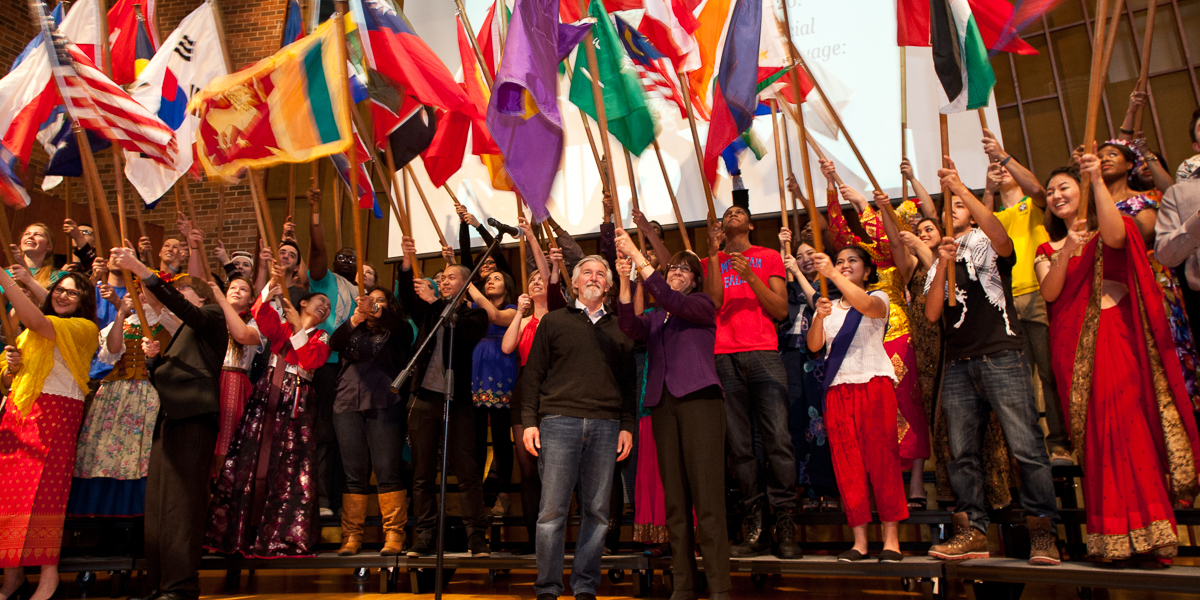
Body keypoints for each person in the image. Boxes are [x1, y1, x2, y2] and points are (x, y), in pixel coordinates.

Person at [1036, 156, 1200, 565]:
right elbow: (1051, 293)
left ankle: (1154, 532)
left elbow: (1116, 237)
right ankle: (1110, 537)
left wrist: (1095, 179)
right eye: (1052, 191)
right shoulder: (1048, 247)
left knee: (1130, 428)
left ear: (1083, 191)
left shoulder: (1107, 226)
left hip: (1118, 337)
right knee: (1096, 436)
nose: (1057, 196)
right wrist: (1066, 251)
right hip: (1076, 350)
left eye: (1065, 187)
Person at [923, 160, 1061, 565]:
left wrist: (961, 189)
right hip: (958, 363)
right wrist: (944, 260)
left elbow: (1001, 237)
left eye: (959, 207)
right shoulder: (938, 259)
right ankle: (973, 531)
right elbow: (932, 314)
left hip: (1001, 353)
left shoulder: (987, 238)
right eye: (946, 207)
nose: (953, 210)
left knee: (1027, 447)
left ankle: (1042, 533)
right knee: (961, 453)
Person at [614, 229, 731, 600]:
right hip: (662, 405)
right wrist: (623, 278)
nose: (676, 272)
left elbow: (666, 295)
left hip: (700, 402)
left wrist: (637, 253)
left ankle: (719, 588)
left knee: (708, 500)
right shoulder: (657, 316)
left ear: (695, 279)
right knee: (675, 502)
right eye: (673, 268)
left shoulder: (700, 305)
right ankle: (683, 584)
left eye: (684, 269)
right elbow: (630, 326)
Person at [109, 246, 228, 600]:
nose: (177, 294)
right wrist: (154, 363)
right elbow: (164, 379)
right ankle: (158, 582)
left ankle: (180, 586)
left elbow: (182, 307)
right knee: (159, 505)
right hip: (170, 418)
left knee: (182, 504)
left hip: (195, 418)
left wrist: (141, 269)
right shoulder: (180, 338)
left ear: (199, 296)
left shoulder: (211, 317)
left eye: (183, 289)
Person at [521, 255, 635, 600]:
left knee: (597, 513)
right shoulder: (553, 321)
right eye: (587, 272)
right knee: (552, 511)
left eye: (602, 273)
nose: (594, 277)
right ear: (573, 283)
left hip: (606, 425)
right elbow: (533, 376)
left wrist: (627, 425)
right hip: (557, 422)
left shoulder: (622, 327)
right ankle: (548, 588)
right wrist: (529, 422)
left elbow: (630, 384)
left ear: (610, 285)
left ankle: (585, 587)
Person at [822, 160, 931, 508]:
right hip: (864, 342)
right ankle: (874, 486)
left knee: (907, 408)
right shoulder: (858, 258)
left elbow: (891, 238)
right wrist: (832, 183)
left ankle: (914, 483)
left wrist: (866, 206)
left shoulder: (892, 255)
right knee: (870, 424)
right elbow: (839, 234)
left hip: (899, 333)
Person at [205, 274, 331, 557]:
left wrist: (299, 328)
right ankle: (240, 534)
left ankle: (280, 535)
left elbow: (311, 360)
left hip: (296, 403)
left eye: (329, 306)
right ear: (303, 303)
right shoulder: (283, 326)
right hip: (268, 396)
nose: (325, 306)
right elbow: (260, 315)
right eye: (321, 300)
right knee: (252, 459)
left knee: (290, 464)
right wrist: (269, 287)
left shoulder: (322, 337)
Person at [702, 194, 799, 559]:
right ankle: (755, 525)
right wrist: (714, 256)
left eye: (740, 211)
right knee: (740, 447)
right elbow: (711, 303)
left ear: (751, 225)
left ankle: (785, 522)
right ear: (721, 228)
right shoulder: (711, 259)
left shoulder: (767, 256)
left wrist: (750, 278)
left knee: (778, 440)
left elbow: (779, 310)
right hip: (723, 357)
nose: (733, 213)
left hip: (763, 353)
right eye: (728, 213)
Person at [0, 271, 98, 600]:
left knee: (46, 496)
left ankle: (48, 575)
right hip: (20, 413)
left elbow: (39, 323)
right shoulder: (29, 331)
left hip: (56, 414)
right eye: (60, 290)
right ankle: (12, 576)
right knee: (9, 499)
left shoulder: (85, 329)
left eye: (73, 293)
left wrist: (8, 280)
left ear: (85, 301)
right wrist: (9, 366)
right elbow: (10, 372)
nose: (64, 296)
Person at [808, 247, 908, 563]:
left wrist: (833, 274)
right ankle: (860, 541)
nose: (844, 265)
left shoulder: (879, 297)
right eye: (839, 261)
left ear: (866, 270)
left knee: (883, 459)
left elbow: (868, 308)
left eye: (852, 261)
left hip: (874, 383)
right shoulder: (828, 306)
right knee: (846, 464)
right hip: (838, 390)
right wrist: (819, 318)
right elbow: (814, 346)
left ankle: (891, 540)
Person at [979, 132, 1071, 466]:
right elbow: (981, 229)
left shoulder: (1032, 204)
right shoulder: (997, 212)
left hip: (1037, 294)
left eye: (1003, 167)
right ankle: (1030, 448)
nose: (999, 170)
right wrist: (988, 190)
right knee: (1019, 379)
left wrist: (1003, 156)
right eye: (994, 167)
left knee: (1049, 371)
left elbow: (1035, 188)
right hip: (1004, 303)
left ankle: (1060, 442)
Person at [396, 236, 492, 558]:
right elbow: (408, 300)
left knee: (467, 473)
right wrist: (408, 262)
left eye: (451, 277)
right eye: (442, 277)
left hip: (459, 402)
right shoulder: (427, 310)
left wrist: (436, 303)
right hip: (423, 398)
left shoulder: (475, 316)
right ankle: (424, 537)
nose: (443, 281)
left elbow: (460, 332)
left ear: (465, 285)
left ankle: (476, 538)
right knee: (422, 474)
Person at [1098, 139, 1200, 410]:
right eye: (1100, 156)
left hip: (1151, 277)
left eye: (1112, 154)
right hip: (1112, 286)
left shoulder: (1147, 198)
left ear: (1130, 164)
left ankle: (1186, 407)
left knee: (1168, 345)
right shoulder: (1091, 207)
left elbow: (1142, 234)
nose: (1104, 159)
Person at [68, 284, 179, 518]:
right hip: (115, 394)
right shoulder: (123, 323)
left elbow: (177, 332)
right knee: (104, 452)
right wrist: (121, 314)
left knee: (138, 455)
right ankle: (103, 519)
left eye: (146, 292)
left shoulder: (167, 320)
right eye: (138, 292)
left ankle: (138, 518)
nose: (142, 296)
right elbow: (113, 349)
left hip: (149, 393)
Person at [329, 287, 414, 556]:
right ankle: (351, 536)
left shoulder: (395, 329)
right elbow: (334, 344)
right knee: (354, 473)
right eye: (369, 300)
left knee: (387, 470)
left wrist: (377, 310)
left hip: (383, 401)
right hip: (347, 402)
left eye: (380, 300)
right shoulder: (353, 328)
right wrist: (355, 319)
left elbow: (405, 332)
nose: (373, 304)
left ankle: (394, 535)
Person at [501, 229, 565, 554]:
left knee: (555, 469)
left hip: (552, 391)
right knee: (528, 471)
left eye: (541, 280)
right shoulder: (523, 319)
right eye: (531, 281)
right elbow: (507, 346)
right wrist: (518, 312)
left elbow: (547, 276)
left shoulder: (557, 315)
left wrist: (531, 237)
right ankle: (532, 541)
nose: (535, 283)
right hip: (523, 390)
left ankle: (556, 539)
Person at [306, 186, 358, 518]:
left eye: (352, 257)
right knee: (323, 430)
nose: (346, 259)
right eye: (342, 256)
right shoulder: (324, 280)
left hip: (351, 369)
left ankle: (344, 501)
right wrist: (315, 211)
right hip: (325, 364)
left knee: (347, 436)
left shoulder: (361, 291)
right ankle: (322, 497)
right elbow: (318, 248)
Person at [776, 227, 836, 512]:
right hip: (789, 358)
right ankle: (798, 487)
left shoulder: (830, 287)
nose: (805, 259)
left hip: (819, 361)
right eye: (799, 257)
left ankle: (824, 488)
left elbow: (818, 306)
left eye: (810, 253)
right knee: (794, 422)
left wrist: (796, 273)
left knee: (820, 423)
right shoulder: (789, 290)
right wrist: (782, 251)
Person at [466, 269, 518, 517]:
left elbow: (494, 316)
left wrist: (470, 284)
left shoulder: (513, 309)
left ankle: (503, 494)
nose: (490, 281)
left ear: (506, 286)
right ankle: (477, 497)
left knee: (500, 436)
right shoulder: (474, 308)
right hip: (476, 371)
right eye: (487, 279)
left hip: (500, 368)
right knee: (474, 437)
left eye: (496, 278)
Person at [204, 276, 265, 473]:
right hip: (210, 380)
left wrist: (222, 301)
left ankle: (222, 493)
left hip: (234, 382)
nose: (236, 291)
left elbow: (243, 336)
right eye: (232, 287)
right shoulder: (211, 316)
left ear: (251, 300)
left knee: (227, 440)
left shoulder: (256, 323)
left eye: (243, 289)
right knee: (205, 439)